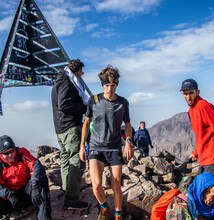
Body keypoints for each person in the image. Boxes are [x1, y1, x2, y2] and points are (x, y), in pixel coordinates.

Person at [79, 65, 134, 220]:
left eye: (112, 85)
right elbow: (86, 122)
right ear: (102, 85)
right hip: (96, 147)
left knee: (116, 184)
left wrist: (128, 142)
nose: (109, 89)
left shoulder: (123, 103)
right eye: (106, 85)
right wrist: (82, 145)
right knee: (96, 185)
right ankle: (104, 207)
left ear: (117, 85)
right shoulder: (94, 100)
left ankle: (117, 214)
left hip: (114, 148)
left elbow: (128, 124)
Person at [51, 59, 89, 210]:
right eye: (81, 71)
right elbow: (64, 105)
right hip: (70, 127)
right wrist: (85, 108)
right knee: (78, 161)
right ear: (77, 70)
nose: (82, 74)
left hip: (60, 128)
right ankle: (72, 200)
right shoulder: (67, 82)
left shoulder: (60, 80)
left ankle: (68, 190)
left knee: (66, 159)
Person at [0, 135, 51, 220]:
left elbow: (36, 165)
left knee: (41, 180)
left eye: (12, 151)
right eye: (6, 153)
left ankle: (43, 217)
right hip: (9, 200)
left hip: (26, 194)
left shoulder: (21, 154)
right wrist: (9, 194)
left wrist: (35, 186)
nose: (10, 155)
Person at [180, 79, 214, 177]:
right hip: (203, 159)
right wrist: (196, 152)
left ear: (197, 92)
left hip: (213, 159)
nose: (188, 97)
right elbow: (201, 135)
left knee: (212, 191)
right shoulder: (191, 111)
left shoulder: (204, 106)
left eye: (191, 93)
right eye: (185, 94)